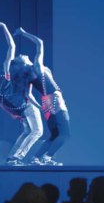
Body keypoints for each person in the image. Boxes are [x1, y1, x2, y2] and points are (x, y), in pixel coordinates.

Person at [0, 21, 43, 166]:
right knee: (37, 131)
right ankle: (16, 157)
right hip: (26, 105)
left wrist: (12, 113)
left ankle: (12, 157)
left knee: (27, 132)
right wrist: (3, 26)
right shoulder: (3, 71)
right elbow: (12, 46)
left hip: (19, 109)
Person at [15, 27, 69, 167]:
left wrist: (42, 107)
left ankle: (37, 158)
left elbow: (28, 94)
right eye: (19, 57)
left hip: (47, 101)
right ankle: (46, 157)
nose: (20, 54)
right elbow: (40, 43)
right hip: (53, 98)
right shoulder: (36, 67)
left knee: (55, 134)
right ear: (22, 64)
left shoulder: (31, 74)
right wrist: (23, 33)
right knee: (65, 133)